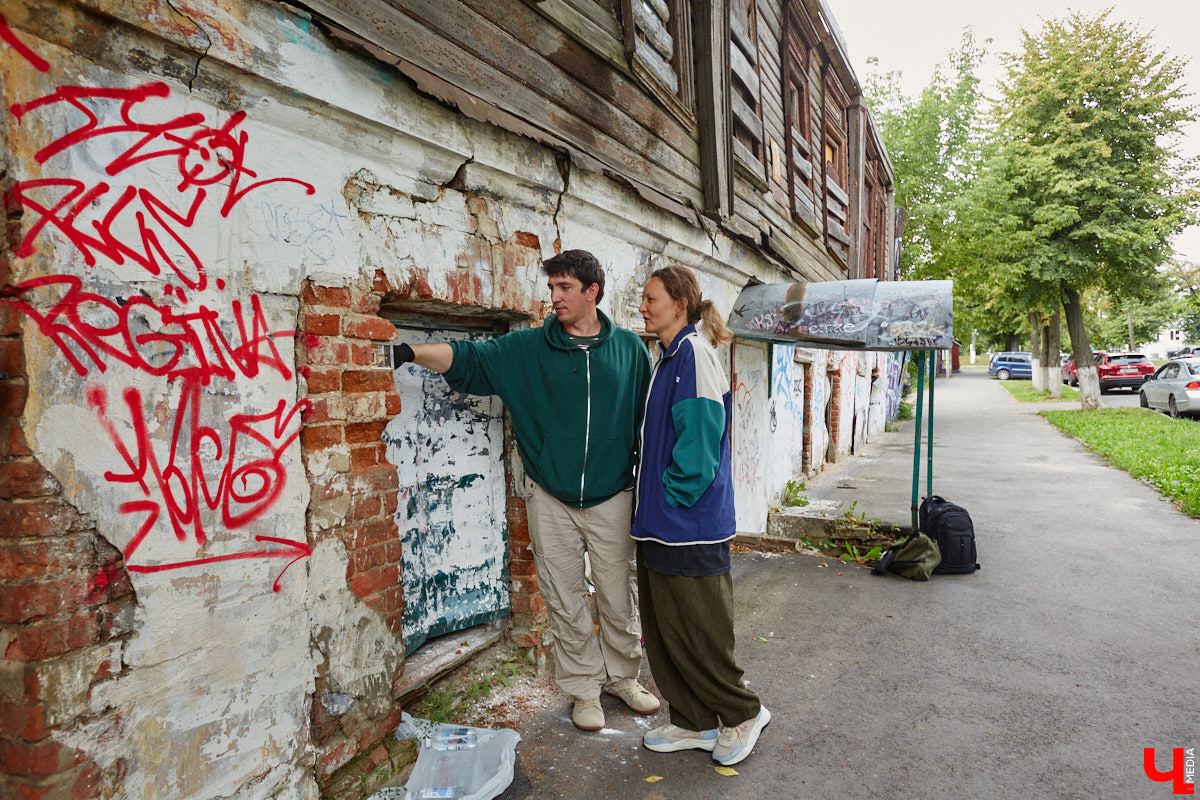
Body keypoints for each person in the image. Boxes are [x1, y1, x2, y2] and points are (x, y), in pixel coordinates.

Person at [394, 249, 658, 731]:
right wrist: (410, 352)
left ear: (591, 292)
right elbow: (468, 358)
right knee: (564, 597)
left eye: (564, 288)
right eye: (551, 286)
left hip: (614, 494)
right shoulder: (529, 348)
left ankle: (624, 678)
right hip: (551, 496)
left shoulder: (631, 352)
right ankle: (583, 690)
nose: (553, 297)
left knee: (619, 595)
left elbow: (649, 423)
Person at [632, 265, 770, 766]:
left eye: (651, 299)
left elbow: (701, 440)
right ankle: (692, 719)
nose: (643, 307)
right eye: (643, 299)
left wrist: (672, 497)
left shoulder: (693, 353)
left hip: (687, 526)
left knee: (701, 629)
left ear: (680, 304)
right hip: (659, 526)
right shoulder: (667, 357)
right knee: (666, 628)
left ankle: (741, 713)